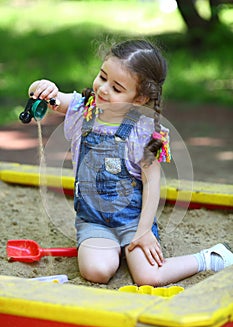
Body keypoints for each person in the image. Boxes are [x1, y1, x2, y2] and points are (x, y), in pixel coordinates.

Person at [29, 39, 233, 286]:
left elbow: (152, 184)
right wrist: (42, 88)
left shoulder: (142, 132)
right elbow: (53, 99)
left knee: (148, 277)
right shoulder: (83, 109)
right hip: (94, 220)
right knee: (97, 271)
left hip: (133, 221)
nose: (103, 89)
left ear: (139, 98)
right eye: (102, 77)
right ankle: (112, 249)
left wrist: (144, 231)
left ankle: (208, 258)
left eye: (117, 88)